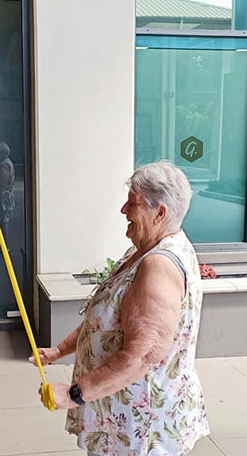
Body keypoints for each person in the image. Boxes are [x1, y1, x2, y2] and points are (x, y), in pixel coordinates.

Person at [30, 162, 209, 456]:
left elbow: (141, 357)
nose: (124, 210)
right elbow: (106, 323)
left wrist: (75, 394)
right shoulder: (144, 250)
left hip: (142, 427)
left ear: (160, 213)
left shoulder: (158, 266)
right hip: (124, 414)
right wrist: (59, 351)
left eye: (133, 203)